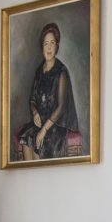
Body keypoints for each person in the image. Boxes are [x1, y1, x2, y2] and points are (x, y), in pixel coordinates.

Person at [13, 21, 81, 161]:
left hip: (56, 124)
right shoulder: (39, 70)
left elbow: (61, 107)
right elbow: (32, 100)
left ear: (57, 46)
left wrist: (44, 130)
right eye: (46, 43)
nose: (49, 47)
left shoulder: (62, 72)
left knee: (40, 144)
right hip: (41, 121)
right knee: (26, 138)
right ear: (42, 46)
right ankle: (30, 174)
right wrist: (35, 112)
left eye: (52, 43)